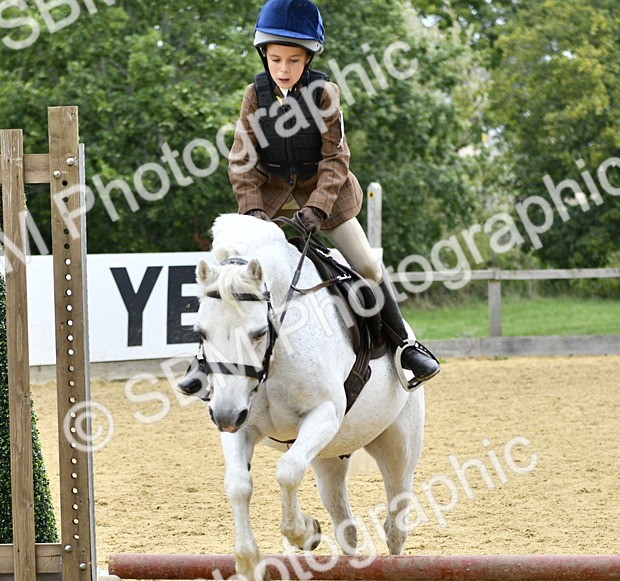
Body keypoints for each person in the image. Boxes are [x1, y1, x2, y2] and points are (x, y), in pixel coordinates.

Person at [177, 0, 440, 398]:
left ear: (309, 58)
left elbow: (336, 159)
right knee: (226, 261)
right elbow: (241, 160)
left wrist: (317, 208)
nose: (283, 70)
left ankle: (405, 345)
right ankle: (202, 359)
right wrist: (251, 214)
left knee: (367, 264)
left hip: (326, 196)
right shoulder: (254, 94)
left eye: (294, 61)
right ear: (264, 54)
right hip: (268, 198)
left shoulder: (324, 94)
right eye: (276, 59)